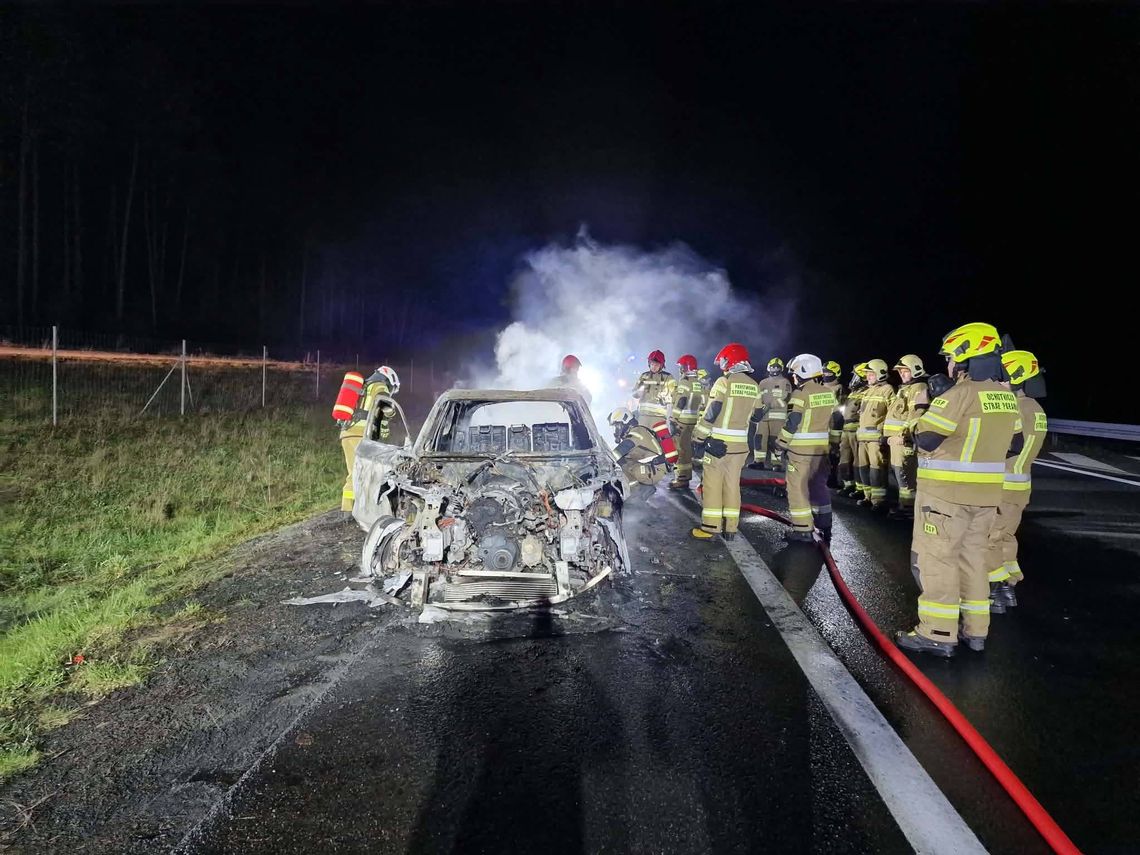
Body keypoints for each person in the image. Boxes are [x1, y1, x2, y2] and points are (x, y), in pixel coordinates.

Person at [896, 323, 1023, 657]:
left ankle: (937, 633)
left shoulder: (959, 394)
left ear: (966, 358)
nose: (949, 363)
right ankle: (976, 632)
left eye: (952, 356)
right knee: (973, 561)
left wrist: (924, 410)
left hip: (945, 497)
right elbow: (1015, 445)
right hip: (985, 498)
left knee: (937, 561)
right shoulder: (1006, 398)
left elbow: (925, 439)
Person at [988, 349, 1047, 613]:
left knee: (989, 538)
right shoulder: (1036, 409)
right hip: (1020, 487)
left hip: (1001, 485)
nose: (997, 382)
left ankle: (997, 589)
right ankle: (1010, 586)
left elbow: (1011, 443)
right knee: (1006, 537)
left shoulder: (1014, 408)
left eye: (1001, 377)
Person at [691, 343, 761, 541]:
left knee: (713, 486)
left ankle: (711, 527)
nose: (721, 365)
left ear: (730, 360)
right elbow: (757, 415)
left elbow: (712, 412)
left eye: (723, 361)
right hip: (740, 448)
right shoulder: (754, 386)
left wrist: (698, 437)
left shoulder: (723, 382)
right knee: (732, 486)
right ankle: (731, 528)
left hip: (718, 446)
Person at [778, 354, 840, 543]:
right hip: (821, 451)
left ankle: (802, 528)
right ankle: (824, 522)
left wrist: (780, 443)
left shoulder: (800, 393)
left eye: (795, 374)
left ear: (803, 371)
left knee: (797, 488)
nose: (793, 378)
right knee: (818, 485)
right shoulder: (828, 393)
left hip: (800, 452)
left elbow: (793, 421)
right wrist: (835, 444)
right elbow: (836, 420)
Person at [335, 366, 399, 514]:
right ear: (389, 379)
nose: (390, 391)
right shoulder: (380, 386)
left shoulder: (364, 387)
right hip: (360, 434)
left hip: (347, 433)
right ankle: (369, 509)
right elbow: (386, 407)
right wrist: (391, 414)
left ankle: (347, 508)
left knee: (353, 471)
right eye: (392, 388)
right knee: (368, 472)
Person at [884, 354, 929, 520]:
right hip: (895, 441)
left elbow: (915, 415)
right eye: (901, 371)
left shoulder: (919, 388)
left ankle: (908, 509)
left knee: (905, 474)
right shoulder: (905, 389)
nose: (902, 374)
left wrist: (905, 437)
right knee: (898, 473)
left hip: (903, 441)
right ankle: (903, 505)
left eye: (905, 371)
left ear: (915, 370)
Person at [856, 359, 894, 509]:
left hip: (875, 439)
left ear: (880, 374)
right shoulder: (868, 391)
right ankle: (868, 497)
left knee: (876, 469)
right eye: (867, 374)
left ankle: (879, 500)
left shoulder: (888, 389)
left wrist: (884, 434)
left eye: (871, 374)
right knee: (864, 468)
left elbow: (891, 414)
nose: (868, 377)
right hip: (862, 438)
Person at [608, 407, 668, 500]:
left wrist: (606, 460)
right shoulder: (636, 431)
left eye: (617, 426)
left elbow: (622, 449)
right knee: (623, 462)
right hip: (652, 468)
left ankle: (636, 495)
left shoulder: (637, 432)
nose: (616, 430)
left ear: (624, 421)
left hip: (655, 470)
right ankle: (639, 490)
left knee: (623, 466)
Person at [668, 354, 706, 490]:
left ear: (685, 368)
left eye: (681, 368)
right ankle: (686, 476)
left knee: (681, 451)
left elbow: (681, 401)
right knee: (688, 450)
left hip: (682, 423)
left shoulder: (684, 383)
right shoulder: (698, 383)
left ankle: (682, 478)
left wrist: (673, 420)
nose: (680, 370)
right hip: (693, 422)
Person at [752, 357, 792, 470]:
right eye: (772, 366)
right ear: (768, 368)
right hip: (763, 417)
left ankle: (777, 463)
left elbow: (786, 397)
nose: (774, 369)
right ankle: (758, 461)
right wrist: (757, 410)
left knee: (775, 440)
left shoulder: (785, 382)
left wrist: (771, 404)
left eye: (776, 367)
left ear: (781, 369)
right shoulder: (763, 383)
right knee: (759, 438)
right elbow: (757, 397)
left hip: (777, 417)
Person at [836, 362, 867, 496]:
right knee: (845, 458)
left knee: (857, 460)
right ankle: (848, 484)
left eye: (856, 376)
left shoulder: (866, 393)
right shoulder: (853, 393)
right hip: (846, 429)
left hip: (856, 430)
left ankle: (860, 489)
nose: (854, 379)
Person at [632, 350, 672, 427]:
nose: (653, 367)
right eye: (652, 364)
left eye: (656, 365)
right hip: (643, 417)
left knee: (661, 438)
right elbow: (634, 393)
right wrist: (638, 392)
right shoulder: (644, 376)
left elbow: (674, 396)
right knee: (641, 437)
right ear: (649, 363)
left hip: (659, 418)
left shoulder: (668, 377)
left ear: (661, 365)